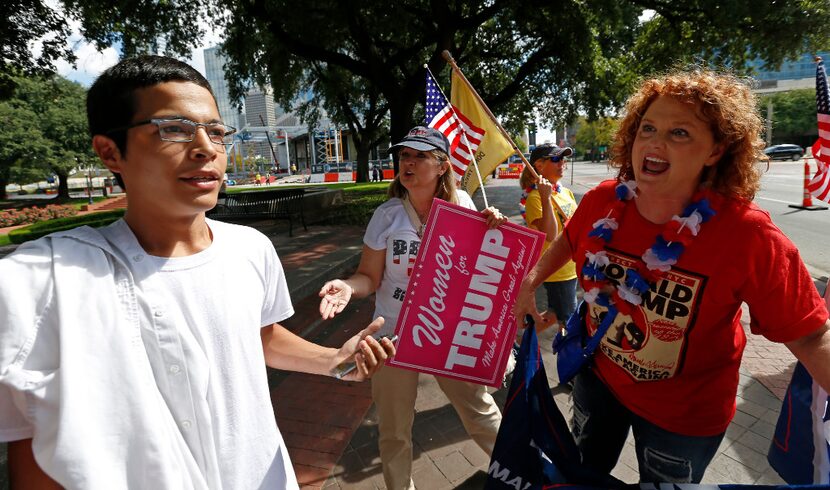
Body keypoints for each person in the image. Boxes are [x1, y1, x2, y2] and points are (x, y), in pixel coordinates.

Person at [0, 55, 395, 488]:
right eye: (174, 129)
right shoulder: (44, 282)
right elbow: (35, 456)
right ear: (110, 151)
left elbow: (258, 336)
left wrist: (333, 360)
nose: (206, 147)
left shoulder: (251, 249)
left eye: (216, 132)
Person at [514, 69, 830, 484]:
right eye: (647, 128)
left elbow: (809, 334)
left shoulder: (748, 235)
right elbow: (569, 242)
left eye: (679, 133)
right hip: (599, 379)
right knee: (583, 473)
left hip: (683, 416)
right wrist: (529, 280)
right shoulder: (604, 201)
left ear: (716, 150)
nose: (654, 142)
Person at [318, 126, 508, 490]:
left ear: (441, 166)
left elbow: (482, 271)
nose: (408, 162)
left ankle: (524, 478)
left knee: (481, 414)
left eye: (420, 155)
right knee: (393, 432)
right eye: (405, 155)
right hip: (391, 337)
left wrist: (494, 230)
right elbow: (368, 277)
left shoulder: (464, 207)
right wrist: (347, 286)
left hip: (447, 335)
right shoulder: (387, 215)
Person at [518, 144, 579, 330]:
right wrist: (545, 199)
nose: (562, 163)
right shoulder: (535, 198)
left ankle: (519, 341)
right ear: (539, 165)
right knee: (569, 322)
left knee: (557, 313)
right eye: (555, 159)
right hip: (557, 270)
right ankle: (568, 357)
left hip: (572, 266)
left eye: (563, 159)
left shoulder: (565, 192)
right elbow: (551, 235)